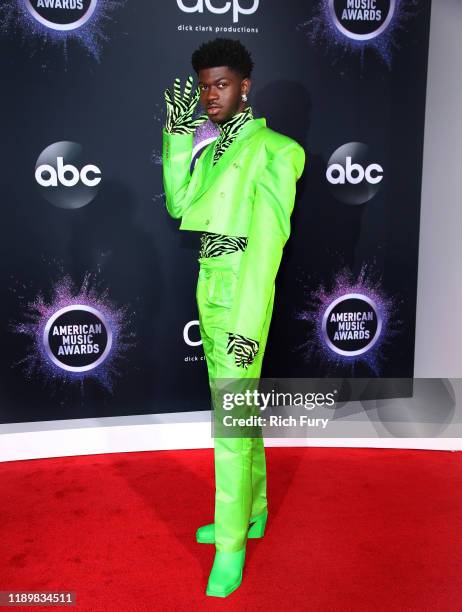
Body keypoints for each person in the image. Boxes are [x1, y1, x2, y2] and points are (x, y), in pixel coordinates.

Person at [162, 37, 305, 598]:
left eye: (221, 84)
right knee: (239, 414)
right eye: (203, 86)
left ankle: (230, 547)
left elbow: (267, 250)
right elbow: (179, 205)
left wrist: (246, 326)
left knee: (229, 423)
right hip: (209, 285)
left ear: (245, 85)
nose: (209, 95)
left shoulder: (278, 151)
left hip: (243, 292)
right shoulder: (204, 142)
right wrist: (177, 139)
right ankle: (255, 510)